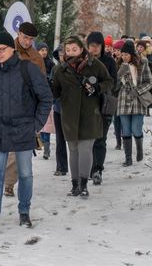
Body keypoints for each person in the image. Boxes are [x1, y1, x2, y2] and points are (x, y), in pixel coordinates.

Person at [0, 32, 52, 232]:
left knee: (25, 174)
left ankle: (24, 211)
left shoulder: (28, 69)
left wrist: (36, 125)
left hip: (24, 130)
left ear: (12, 49)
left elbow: (46, 98)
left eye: (2, 49)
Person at [0, 22, 46, 197]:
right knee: (6, 150)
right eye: (25, 37)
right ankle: (6, 181)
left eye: (31, 39)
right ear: (18, 34)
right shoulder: (3, 48)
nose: (27, 41)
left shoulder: (36, 57)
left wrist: (37, 120)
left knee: (19, 155)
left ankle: (11, 185)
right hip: (2, 110)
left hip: (25, 112)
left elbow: (42, 86)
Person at [52, 36, 113, 196]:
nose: (71, 52)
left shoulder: (94, 64)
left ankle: (84, 185)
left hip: (90, 114)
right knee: (73, 150)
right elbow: (55, 92)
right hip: (69, 115)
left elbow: (109, 81)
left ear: (81, 49)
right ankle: (75, 185)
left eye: (74, 49)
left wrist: (97, 87)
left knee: (85, 149)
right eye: (68, 50)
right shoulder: (60, 69)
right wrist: (46, 86)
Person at [86, 32, 117, 186]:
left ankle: (97, 170)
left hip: (104, 105)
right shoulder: (83, 61)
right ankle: (88, 168)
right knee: (88, 140)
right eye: (92, 45)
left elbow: (114, 83)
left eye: (98, 45)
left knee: (100, 139)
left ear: (102, 46)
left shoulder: (109, 61)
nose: (95, 48)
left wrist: (99, 86)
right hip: (86, 106)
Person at [116, 40, 152, 166]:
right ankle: (128, 158)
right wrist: (120, 73)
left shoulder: (143, 62)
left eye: (126, 54)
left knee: (136, 129)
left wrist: (138, 91)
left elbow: (150, 82)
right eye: (122, 54)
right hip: (123, 100)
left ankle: (139, 149)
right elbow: (114, 85)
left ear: (132, 54)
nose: (124, 57)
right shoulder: (119, 64)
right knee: (126, 130)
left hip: (138, 99)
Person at [36, 41, 55, 159]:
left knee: (46, 124)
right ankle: (41, 142)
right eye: (41, 50)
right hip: (36, 97)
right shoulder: (34, 63)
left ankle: (46, 149)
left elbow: (53, 80)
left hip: (47, 97)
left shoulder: (51, 64)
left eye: (45, 50)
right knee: (39, 123)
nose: (44, 52)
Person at [51, 45, 68, 175]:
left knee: (76, 140)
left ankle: (81, 168)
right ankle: (61, 167)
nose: (62, 56)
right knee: (60, 138)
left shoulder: (76, 68)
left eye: (64, 53)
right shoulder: (55, 69)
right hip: (58, 107)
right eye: (60, 54)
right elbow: (52, 87)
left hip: (73, 109)